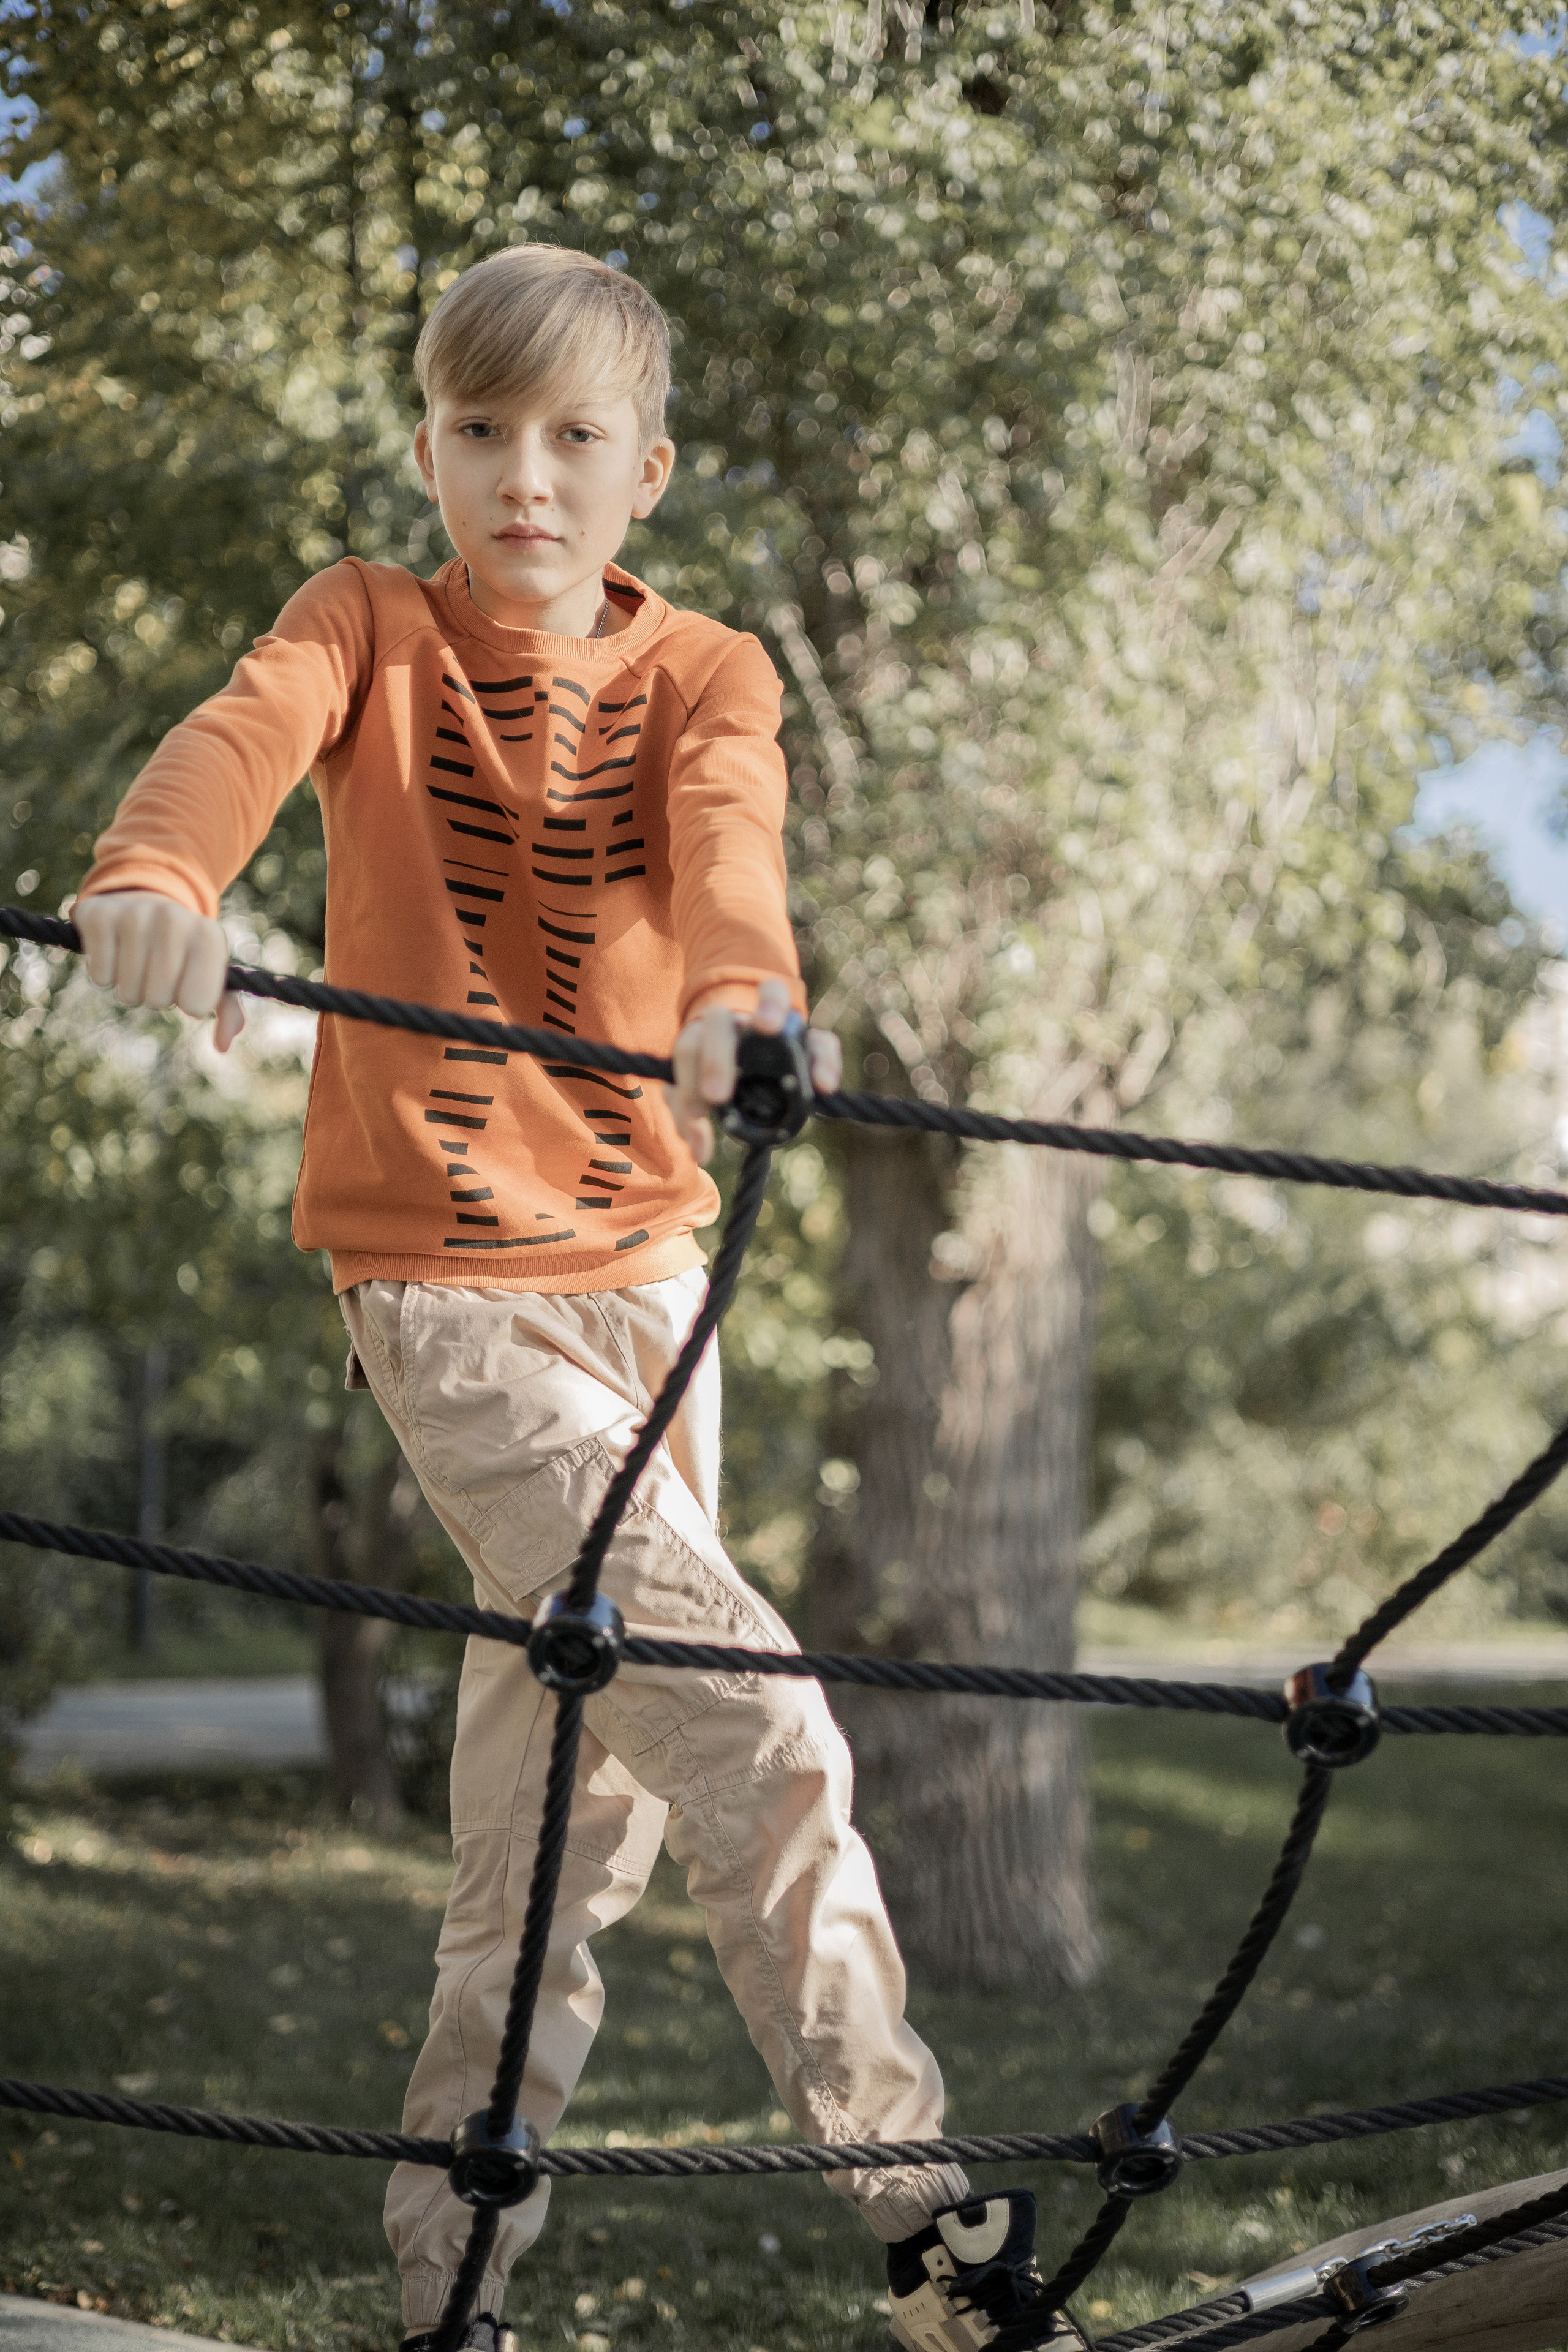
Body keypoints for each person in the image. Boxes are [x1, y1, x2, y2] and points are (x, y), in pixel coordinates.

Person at [71, 246, 1084, 2352]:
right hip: (445, 1293)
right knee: (763, 1730)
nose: (522, 476)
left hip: (651, 1293)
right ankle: (927, 2229)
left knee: (554, 1843)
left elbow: (729, 851)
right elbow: (238, 735)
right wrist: (160, 879)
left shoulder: (710, 671)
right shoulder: (367, 623)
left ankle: (451, 2296)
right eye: (478, 429)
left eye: (574, 437)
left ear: (650, 472)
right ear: (429, 443)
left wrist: (742, 1003)